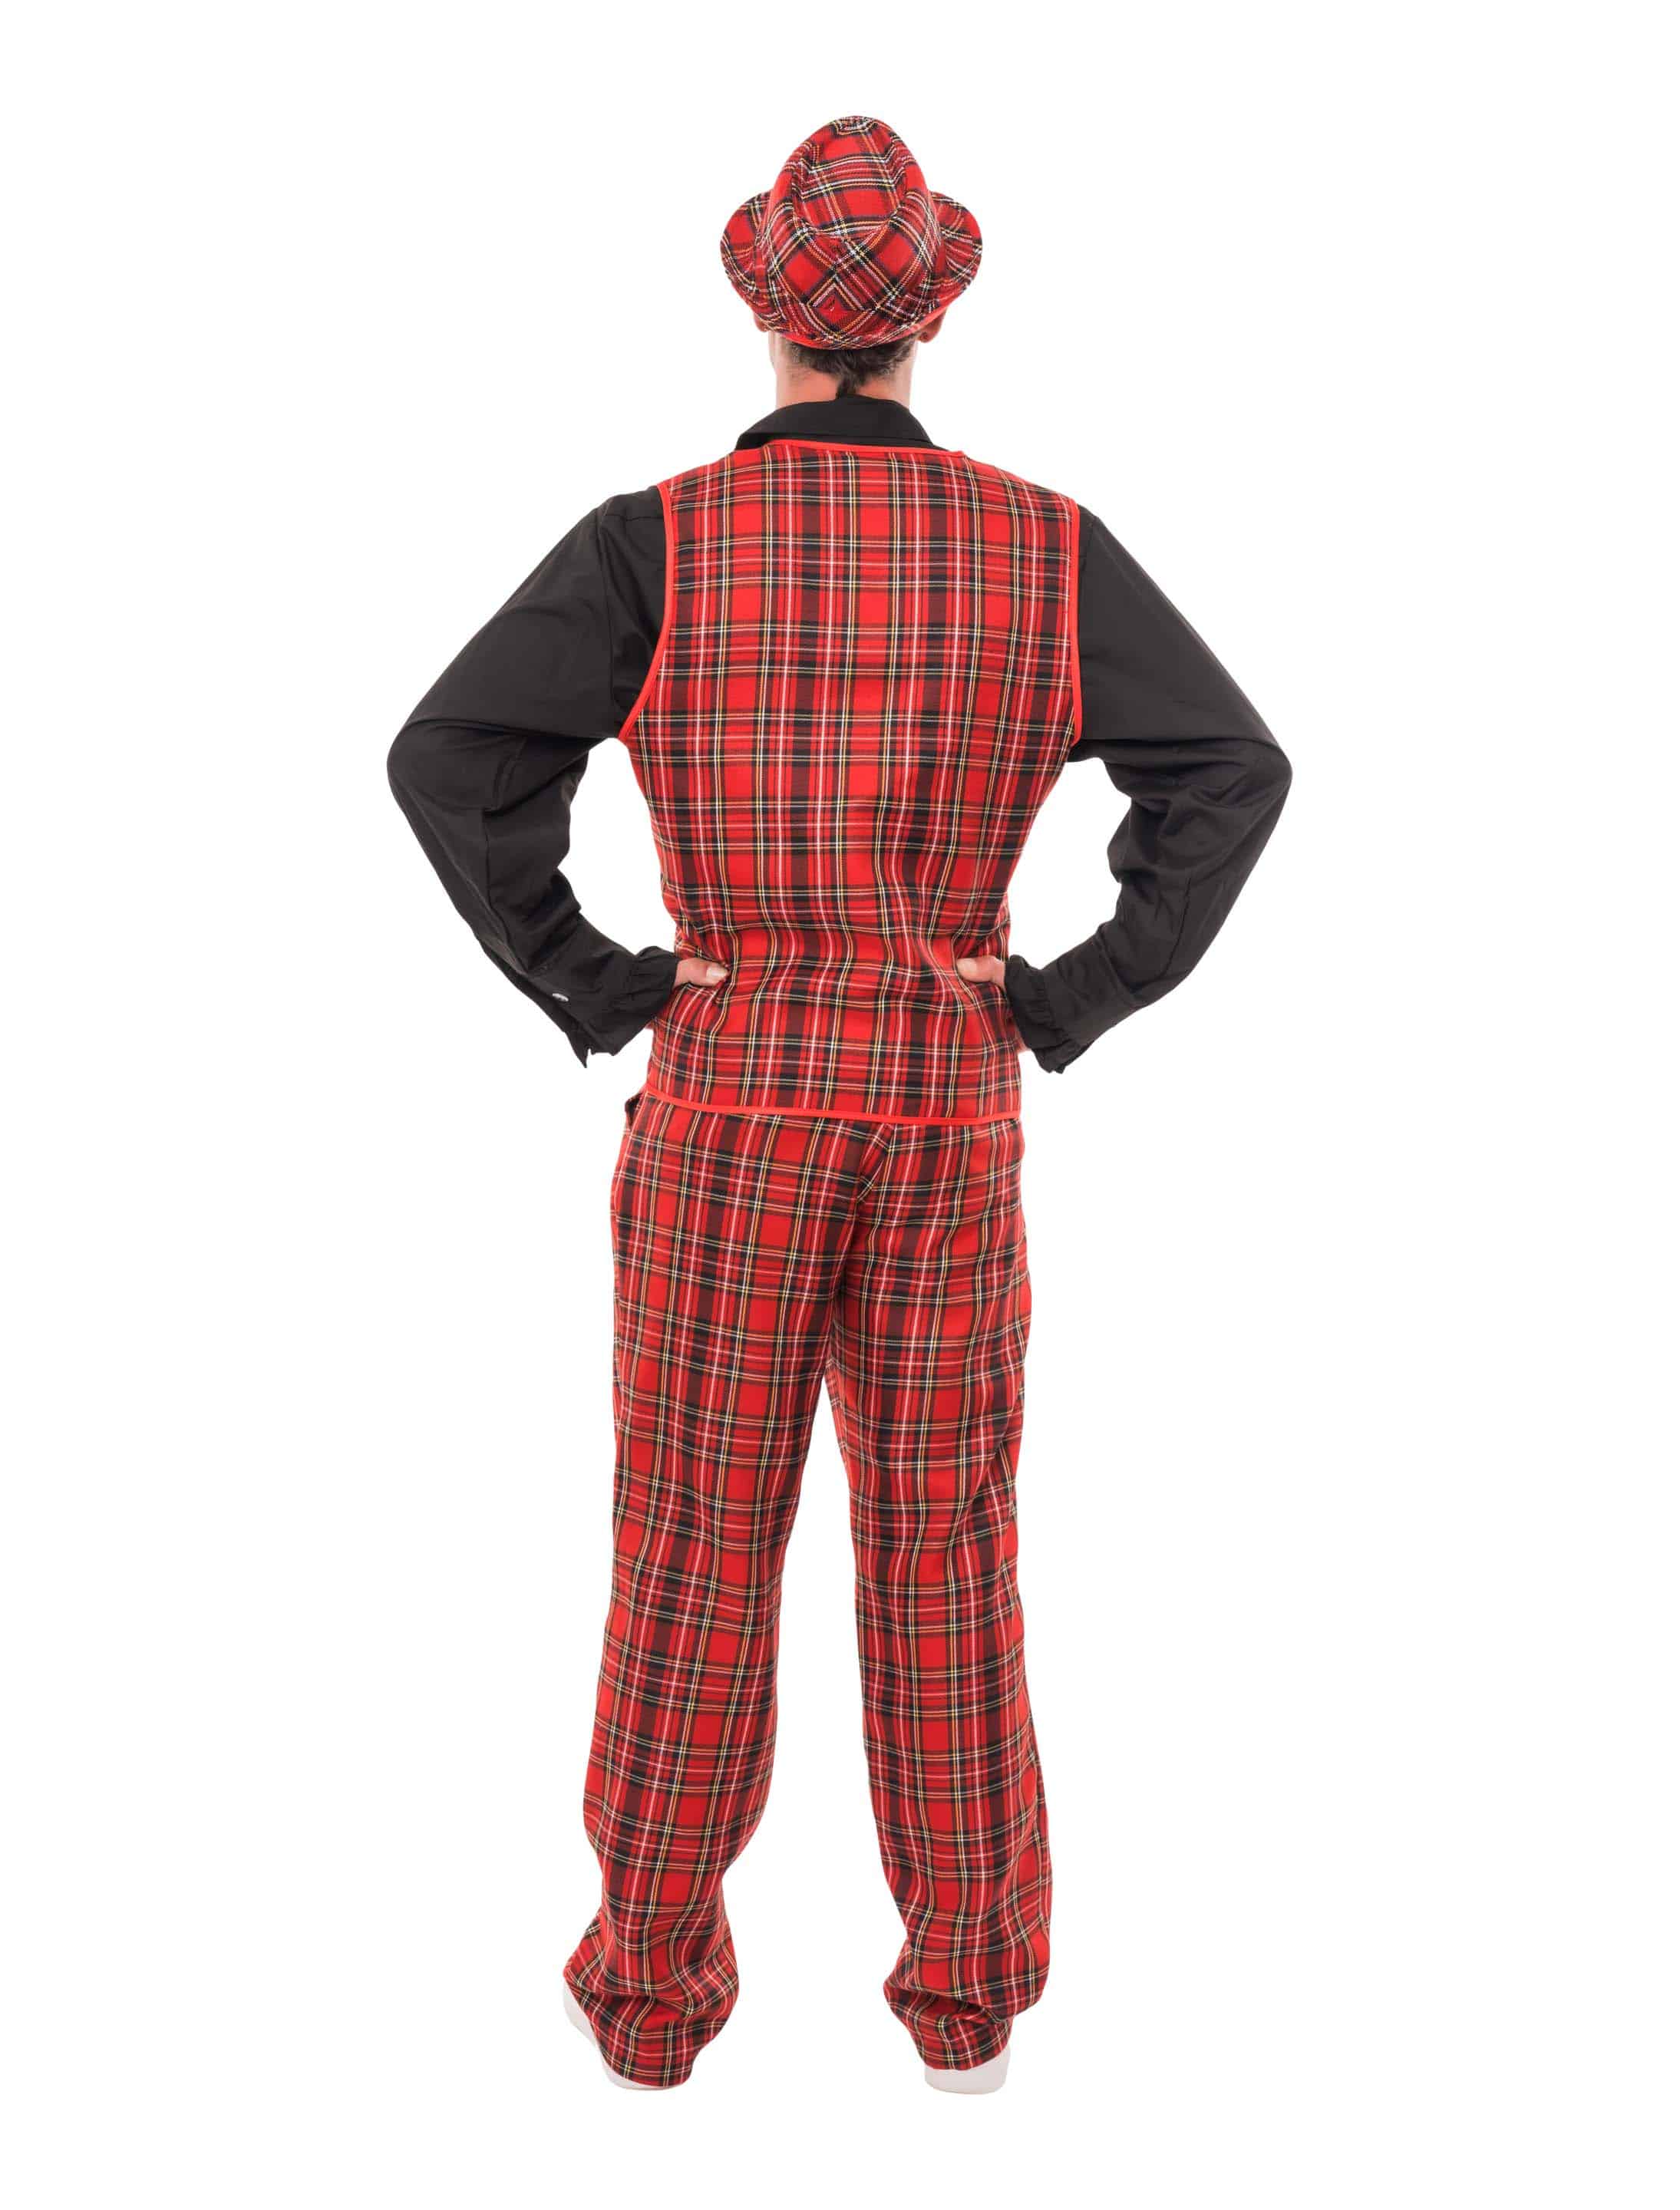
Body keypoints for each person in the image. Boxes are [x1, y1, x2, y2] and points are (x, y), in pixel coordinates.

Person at [388, 115, 1291, 2094]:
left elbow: (451, 755)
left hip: (728, 1105)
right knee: (945, 1545)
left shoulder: (655, 539)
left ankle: (648, 1998)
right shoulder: (1048, 546)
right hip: (946, 1110)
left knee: (695, 1546)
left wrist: (601, 976)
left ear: (761, 308)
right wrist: (1062, 996)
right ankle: (968, 1999)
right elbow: (1233, 771)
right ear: (932, 316)